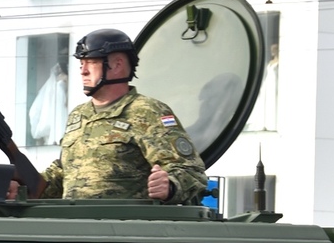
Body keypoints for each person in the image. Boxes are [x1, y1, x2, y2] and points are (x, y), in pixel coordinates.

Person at [38, 29, 208, 204]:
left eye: (92, 62)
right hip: (75, 225)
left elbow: (190, 171)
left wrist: (170, 187)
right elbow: (64, 172)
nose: (83, 71)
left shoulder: (147, 111)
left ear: (117, 65)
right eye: (82, 64)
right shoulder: (79, 115)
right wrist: (27, 186)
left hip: (126, 226)